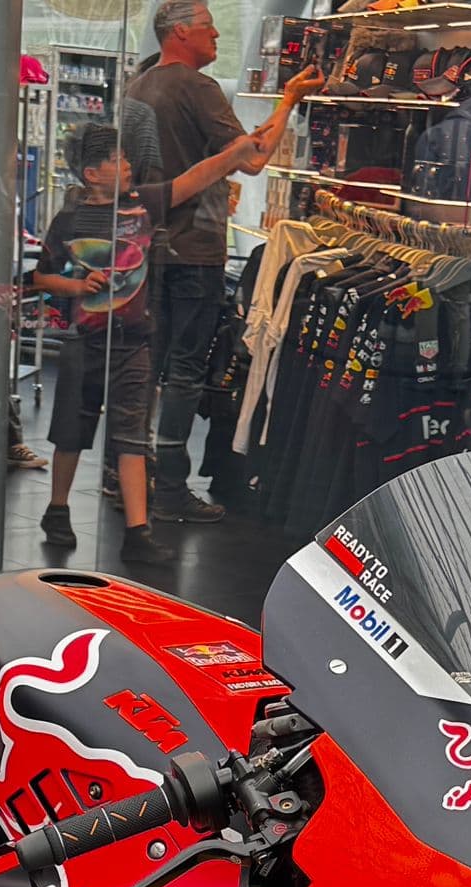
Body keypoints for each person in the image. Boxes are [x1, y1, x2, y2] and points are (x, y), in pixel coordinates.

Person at [32, 120, 267, 566]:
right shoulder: (70, 220)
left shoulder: (145, 204)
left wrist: (235, 154)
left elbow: (194, 178)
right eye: (116, 160)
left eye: (125, 156)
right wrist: (77, 285)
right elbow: (42, 276)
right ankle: (57, 509)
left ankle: (138, 531)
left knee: (132, 437)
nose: (126, 165)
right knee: (70, 433)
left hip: (134, 343)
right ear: (91, 174)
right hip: (85, 341)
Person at [127, 1, 323, 522]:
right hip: (193, 250)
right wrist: (289, 100)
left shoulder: (139, 85)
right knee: (185, 372)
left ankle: (128, 477)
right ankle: (171, 490)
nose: (216, 37)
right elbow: (254, 159)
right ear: (181, 32)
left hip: (150, 248)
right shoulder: (197, 87)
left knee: (150, 367)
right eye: (209, 28)